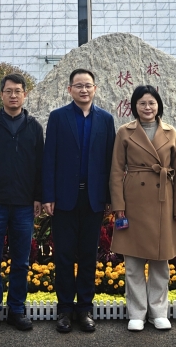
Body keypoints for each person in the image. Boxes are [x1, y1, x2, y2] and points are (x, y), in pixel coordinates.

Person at [41, 68, 116, 333]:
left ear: (95, 88)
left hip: (93, 198)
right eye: (79, 86)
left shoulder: (105, 119)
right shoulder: (58, 117)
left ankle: (84, 309)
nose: (84, 90)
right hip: (64, 198)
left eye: (88, 85)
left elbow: (110, 161)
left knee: (88, 256)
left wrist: (110, 197)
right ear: (70, 89)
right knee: (63, 255)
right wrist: (48, 195)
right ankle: (64, 309)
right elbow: (49, 157)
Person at [110, 85, 176, 332]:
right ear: (134, 106)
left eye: (151, 102)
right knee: (133, 262)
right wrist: (118, 205)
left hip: (163, 199)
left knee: (160, 262)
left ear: (158, 105)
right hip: (133, 199)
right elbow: (116, 171)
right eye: (142, 103)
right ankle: (136, 313)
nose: (147, 107)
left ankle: (158, 312)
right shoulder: (125, 132)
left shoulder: (171, 132)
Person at [0, 73, 44, 334]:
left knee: (21, 261)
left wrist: (38, 197)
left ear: (25, 94)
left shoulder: (34, 127)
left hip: (24, 205)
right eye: (8, 91)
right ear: (1, 95)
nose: (13, 95)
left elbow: (40, 166)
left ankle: (16, 309)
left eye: (18, 91)